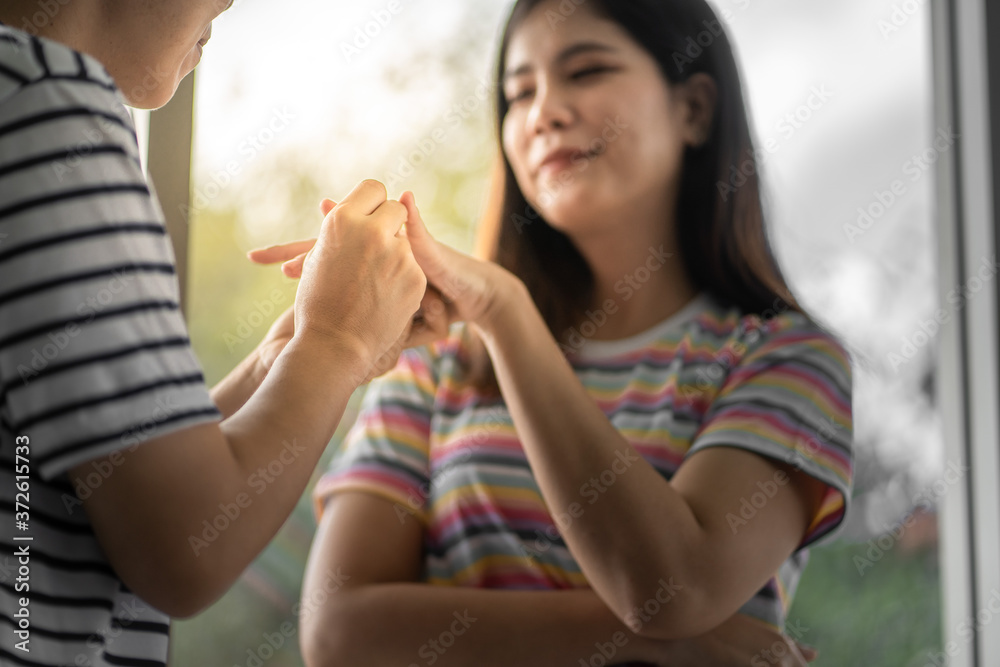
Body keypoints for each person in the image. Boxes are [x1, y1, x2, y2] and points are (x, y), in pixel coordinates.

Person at [260, 0, 854, 664]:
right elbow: (339, 633)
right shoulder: (435, 361)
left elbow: (674, 588)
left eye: (588, 70)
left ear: (695, 108)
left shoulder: (787, 359)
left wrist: (507, 315)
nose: (544, 111)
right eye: (519, 93)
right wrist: (652, 643)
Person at [0, 1, 430, 665]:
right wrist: (336, 343)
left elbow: (120, 472)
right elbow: (185, 543)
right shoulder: (52, 113)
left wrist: (283, 357)